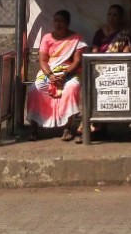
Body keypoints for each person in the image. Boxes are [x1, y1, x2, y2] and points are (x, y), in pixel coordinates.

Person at [26, 9, 86, 141]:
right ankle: (34, 129)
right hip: (49, 73)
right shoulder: (47, 38)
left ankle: (67, 129)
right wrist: (50, 75)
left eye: (61, 21)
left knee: (72, 89)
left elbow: (77, 61)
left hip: (68, 73)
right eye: (56, 21)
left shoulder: (77, 39)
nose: (58, 24)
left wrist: (65, 74)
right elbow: (42, 60)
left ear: (68, 23)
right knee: (34, 90)